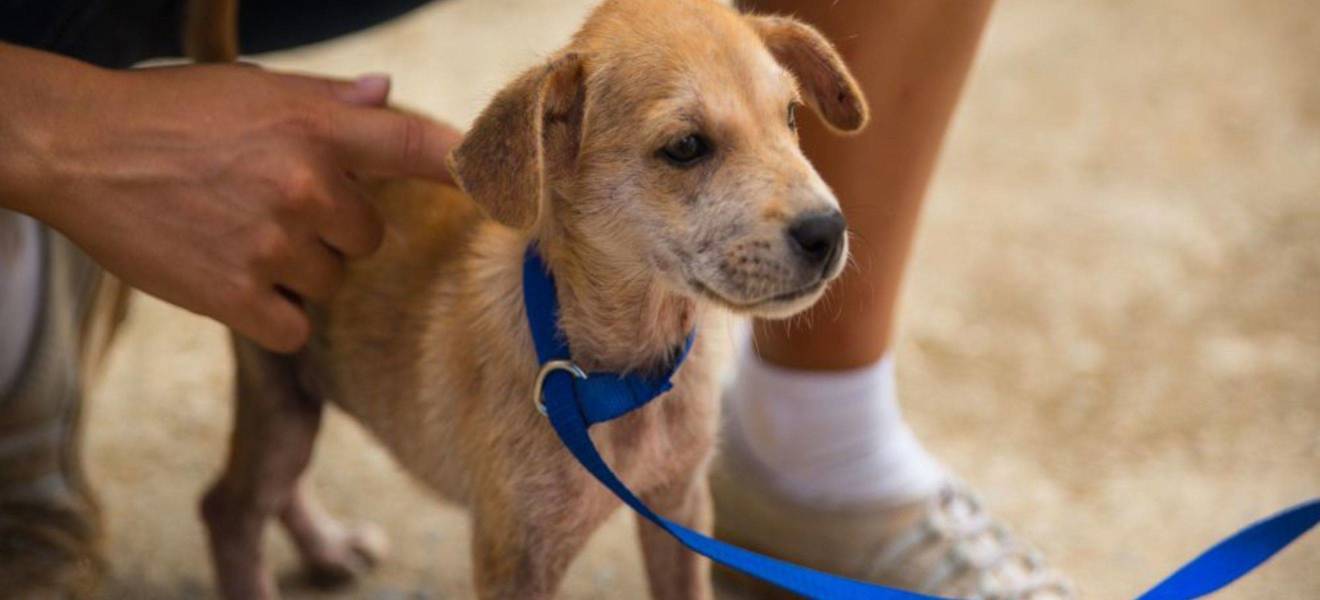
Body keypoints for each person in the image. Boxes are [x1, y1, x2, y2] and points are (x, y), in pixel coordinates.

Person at [0, 1, 1068, 598]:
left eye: (786, 117)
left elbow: (680, 509)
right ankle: (249, 536)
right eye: (687, 150)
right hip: (326, 302)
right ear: (547, 141)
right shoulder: (526, 396)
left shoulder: (694, 351)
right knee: (275, 441)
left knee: (681, 486)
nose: (810, 206)